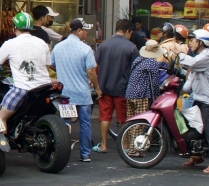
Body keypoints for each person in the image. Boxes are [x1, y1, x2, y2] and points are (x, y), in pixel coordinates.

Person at [0, 11, 53, 128]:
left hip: (23, 89)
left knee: (0, 117)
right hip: (44, 88)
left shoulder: (10, 44)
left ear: (15, 27)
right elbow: (46, 65)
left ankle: (3, 146)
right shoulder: (42, 43)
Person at [52, 18, 98, 162]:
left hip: (65, 94)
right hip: (82, 94)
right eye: (85, 31)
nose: (86, 33)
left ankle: (63, 153)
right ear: (79, 31)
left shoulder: (58, 47)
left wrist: (63, 72)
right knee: (85, 123)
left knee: (65, 123)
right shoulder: (85, 49)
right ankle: (85, 154)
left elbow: (52, 65)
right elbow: (91, 71)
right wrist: (97, 87)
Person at [180, 29, 209, 174]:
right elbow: (189, 84)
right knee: (193, 126)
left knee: (208, 127)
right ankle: (197, 155)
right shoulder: (199, 59)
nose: (190, 43)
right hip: (200, 98)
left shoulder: (208, 55)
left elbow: (192, 64)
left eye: (193, 40)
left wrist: (176, 55)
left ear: (201, 42)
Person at [93, 19, 138, 154]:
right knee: (123, 118)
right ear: (127, 31)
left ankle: (104, 145)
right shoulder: (131, 47)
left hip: (104, 87)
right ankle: (124, 146)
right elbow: (135, 69)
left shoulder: (103, 45)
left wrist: (96, 85)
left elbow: (95, 66)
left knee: (105, 117)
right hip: (122, 89)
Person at [126, 40, 167, 116]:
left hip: (130, 93)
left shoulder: (137, 60)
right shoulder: (152, 63)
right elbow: (154, 82)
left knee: (131, 121)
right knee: (141, 122)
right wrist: (157, 96)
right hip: (142, 95)